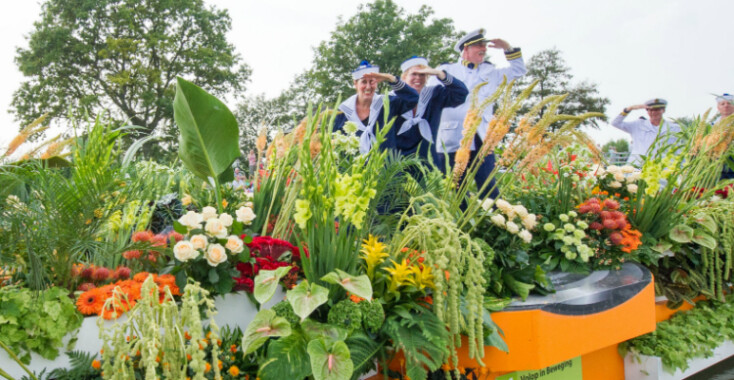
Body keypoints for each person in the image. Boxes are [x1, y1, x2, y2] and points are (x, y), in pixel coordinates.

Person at [430, 29, 527, 198]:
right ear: (465, 49)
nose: (484, 49)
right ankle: (460, 221)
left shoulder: (491, 72)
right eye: (478, 45)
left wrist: (508, 48)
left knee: (488, 185)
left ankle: (493, 220)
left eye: (484, 45)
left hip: (482, 137)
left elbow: (519, 71)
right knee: (454, 187)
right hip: (453, 137)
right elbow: (429, 96)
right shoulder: (446, 70)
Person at [394, 56, 468, 164]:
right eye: (414, 74)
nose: (418, 78)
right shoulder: (394, 99)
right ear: (404, 77)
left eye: (422, 74)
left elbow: (461, 94)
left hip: (427, 160)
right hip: (397, 161)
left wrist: (441, 75)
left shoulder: (434, 95)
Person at [333, 60, 418, 154]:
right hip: (353, 167)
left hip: (386, 167)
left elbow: (413, 98)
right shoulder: (343, 111)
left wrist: (390, 78)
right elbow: (335, 144)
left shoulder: (387, 103)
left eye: (372, 82)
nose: (368, 87)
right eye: (364, 82)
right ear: (355, 84)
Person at [610, 98, 680, 166]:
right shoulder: (638, 125)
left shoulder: (674, 128)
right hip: (637, 167)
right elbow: (615, 123)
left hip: (661, 168)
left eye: (657, 109)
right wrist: (629, 109)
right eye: (650, 110)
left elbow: (679, 149)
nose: (653, 112)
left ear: (663, 110)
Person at [714, 93, 734, 180]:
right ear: (718, 107)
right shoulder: (712, 126)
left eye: (729, 103)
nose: (726, 106)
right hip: (714, 166)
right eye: (722, 104)